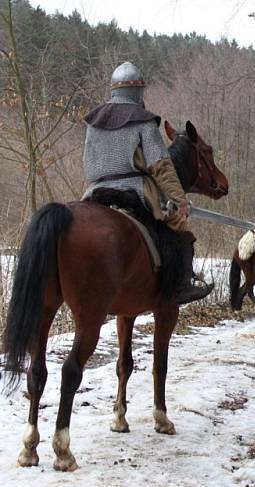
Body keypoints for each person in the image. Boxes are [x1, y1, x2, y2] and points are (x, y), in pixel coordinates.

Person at [82, 61, 211, 304]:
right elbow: (161, 166)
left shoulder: (93, 121)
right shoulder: (142, 120)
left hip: (94, 191)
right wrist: (180, 200)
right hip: (135, 192)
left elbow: (88, 164)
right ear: (138, 92)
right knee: (179, 231)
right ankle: (182, 286)